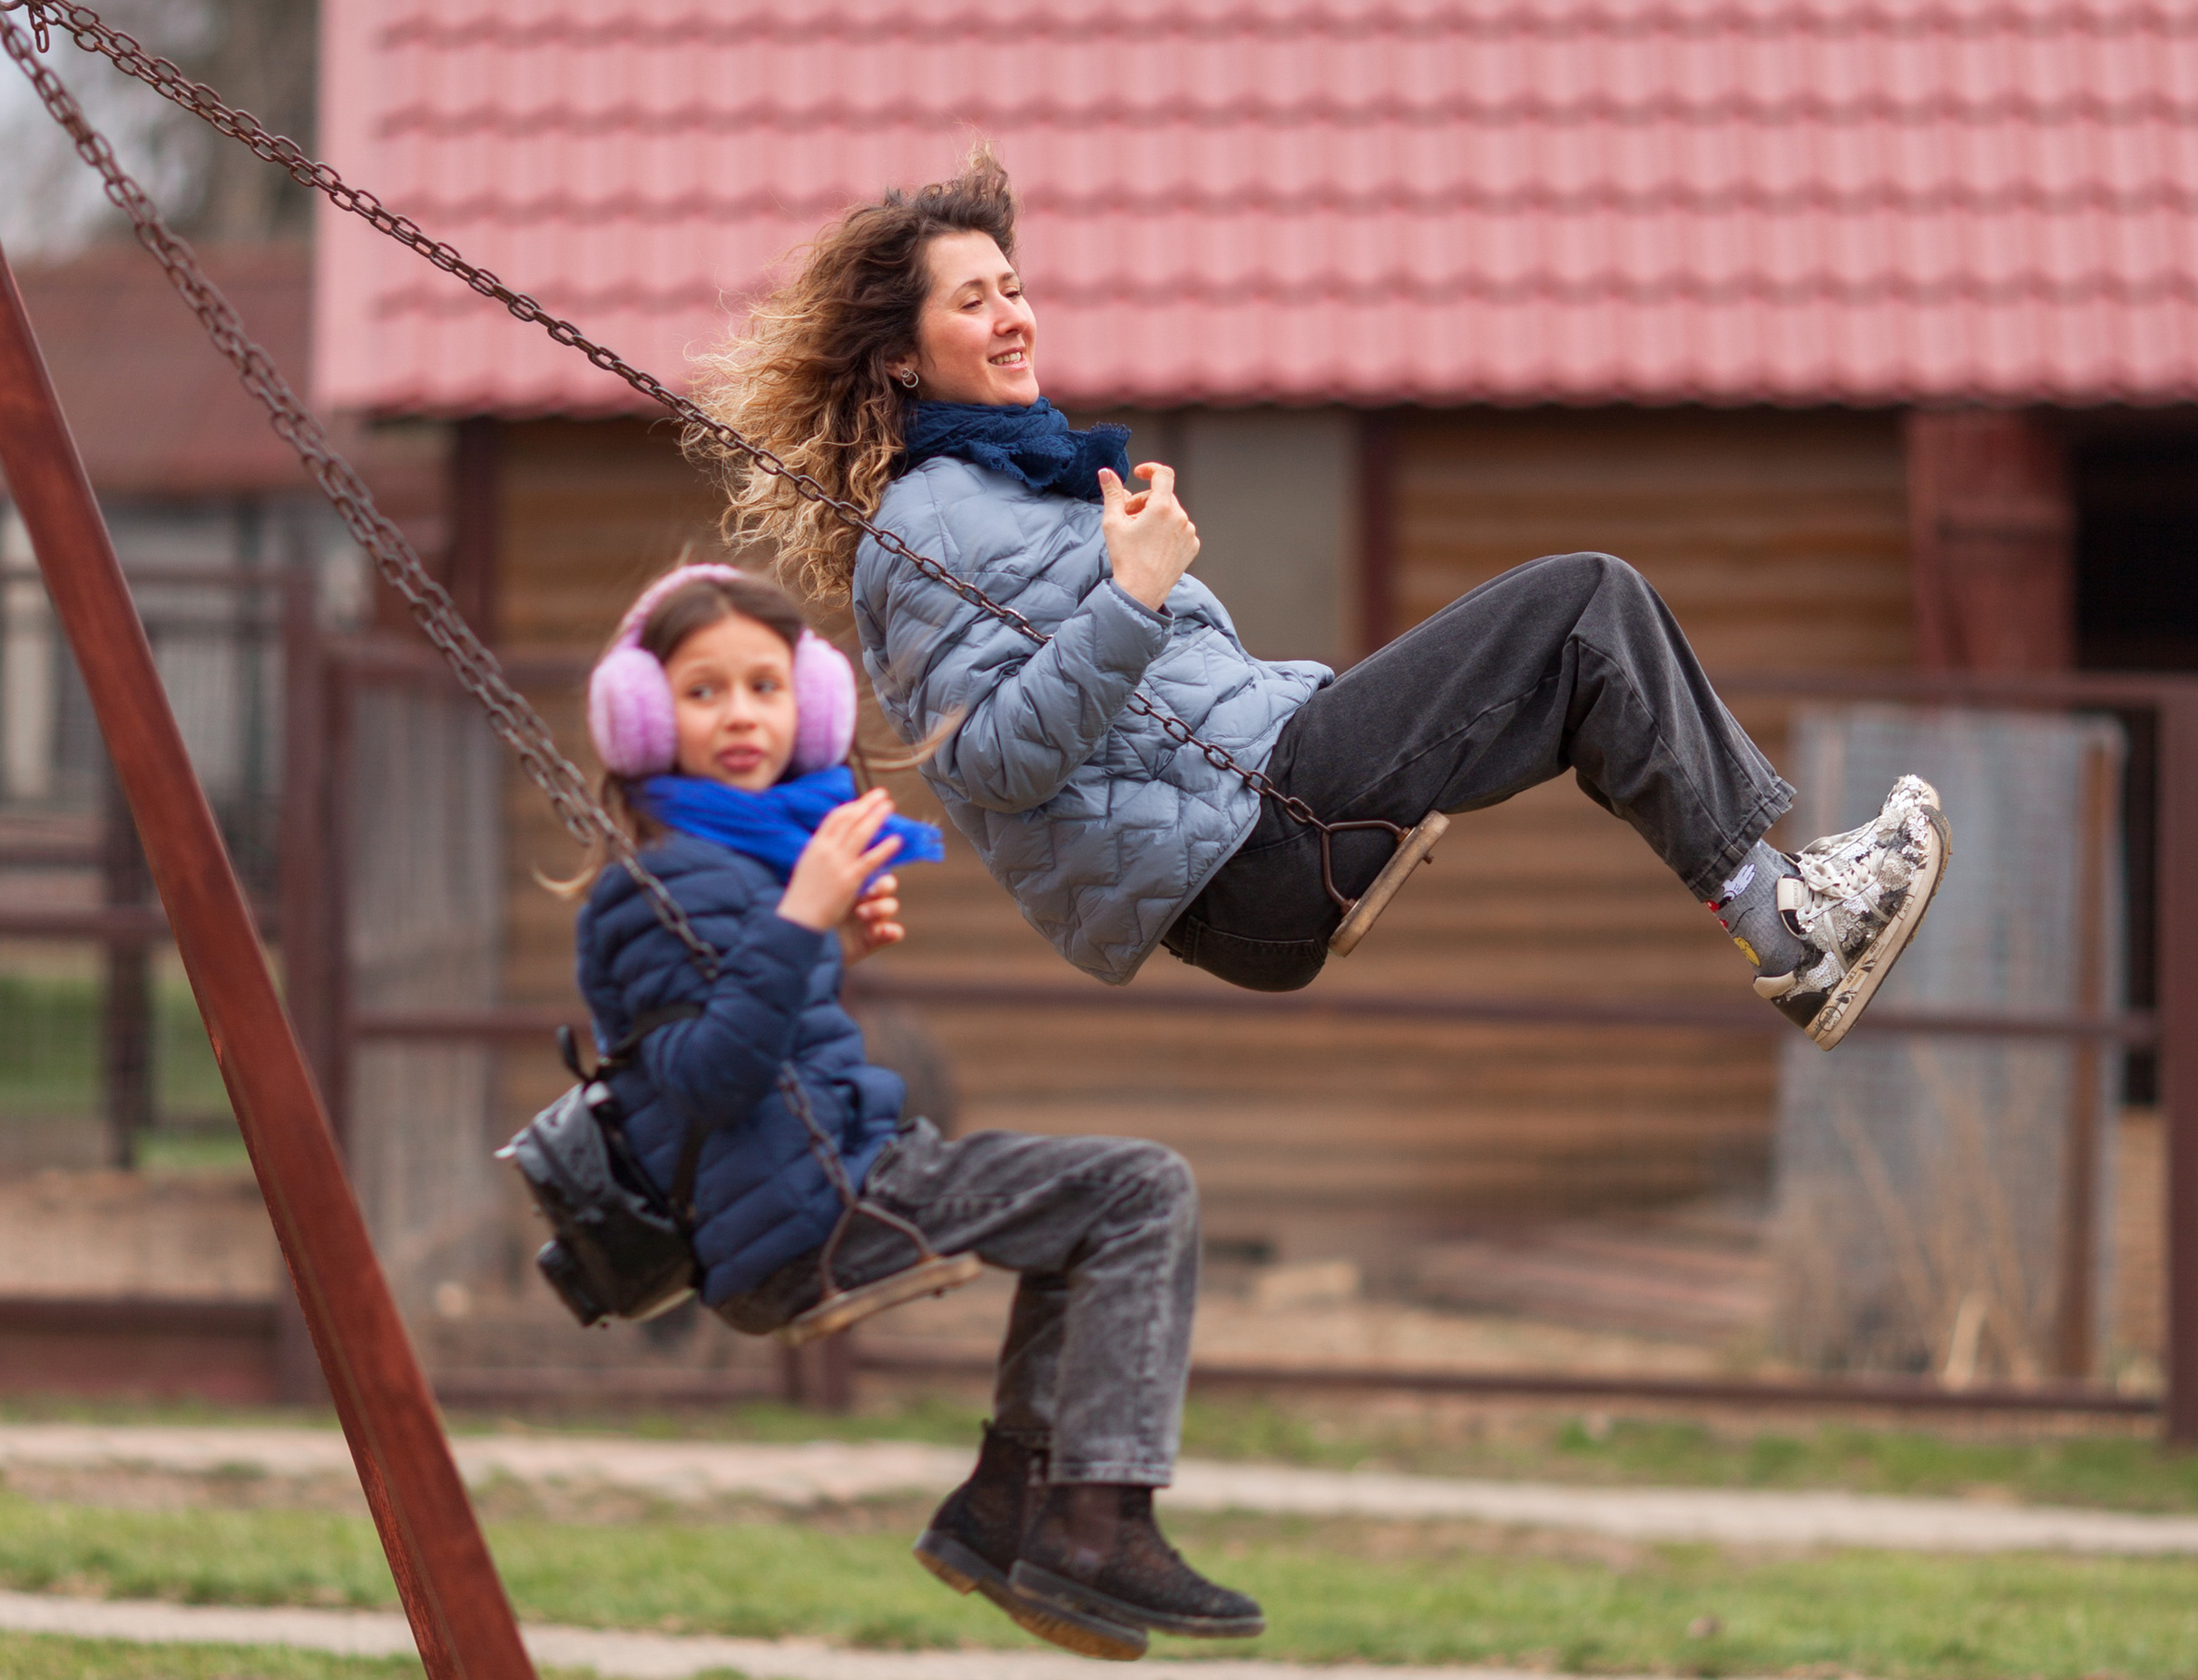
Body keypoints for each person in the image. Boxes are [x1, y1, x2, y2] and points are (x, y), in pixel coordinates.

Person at [697, 152, 1949, 1035]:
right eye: (974, 302)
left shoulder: (1018, 484)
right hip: (1253, 847)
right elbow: (989, 768)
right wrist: (1132, 596)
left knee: (1586, 670)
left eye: (1014, 286)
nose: (1015, 316)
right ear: (906, 358)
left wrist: (1133, 592)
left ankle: (1783, 925)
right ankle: (1788, 917)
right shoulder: (919, 526)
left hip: (1258, 806)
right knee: (1584, 603)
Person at [568, 558, 1261, 1659]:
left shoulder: (730, 865)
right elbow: (706, 1078)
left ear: (809, 705)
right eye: (703, 692)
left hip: (834, 1189)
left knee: (1091, 1214)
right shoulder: (662, 883)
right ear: (645, 717)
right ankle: (1096, 1523)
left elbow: (747, 1039)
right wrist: (803, 921)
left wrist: (817, 938)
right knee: (1139, 1189)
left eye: (764, 686)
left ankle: (1002, 1511)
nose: (739, 715)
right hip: (829, 1213)